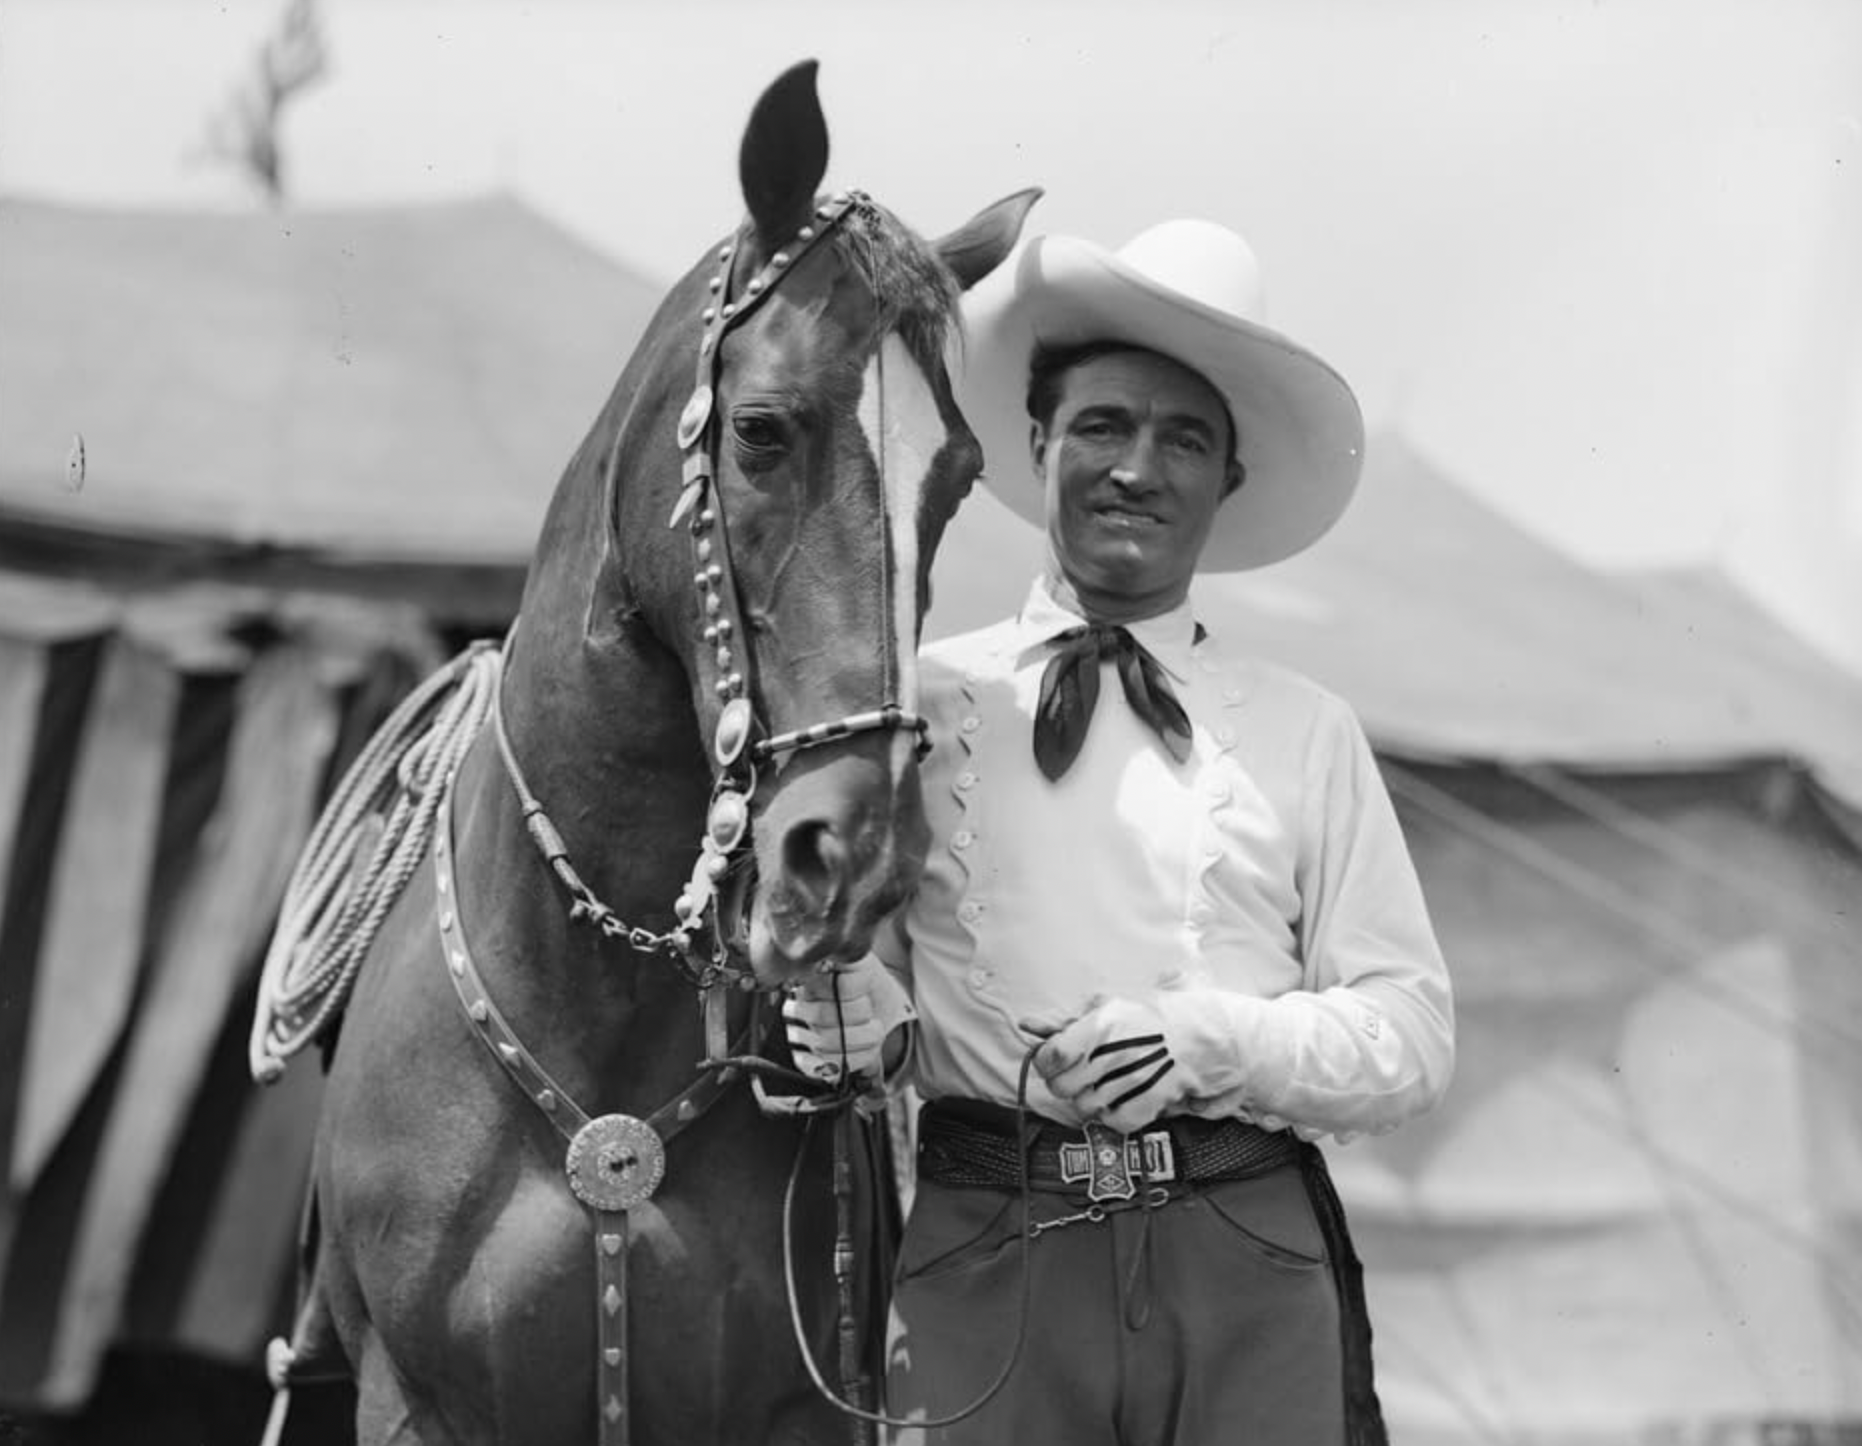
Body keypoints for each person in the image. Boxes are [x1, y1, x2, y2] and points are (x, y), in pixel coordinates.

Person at [784, 218, 1454, 1446]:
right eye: (1101, 426)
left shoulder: (1304, 729)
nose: (1135, 470)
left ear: (1226, 481)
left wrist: (1208, 1041)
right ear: (1036, 441)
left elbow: (1408, 1038)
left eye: (1182, 438)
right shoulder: (910, 704)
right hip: (986, 1257)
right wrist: (856, 1024)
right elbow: (870, 1009)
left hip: (1240, 1257)